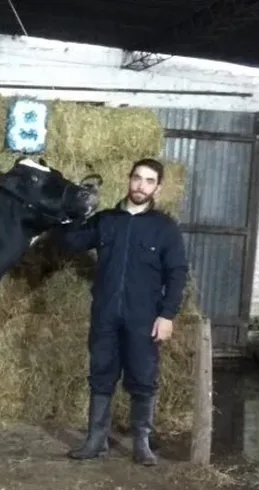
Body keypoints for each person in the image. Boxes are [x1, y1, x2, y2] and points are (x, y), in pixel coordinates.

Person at [56, 158, 188, 466]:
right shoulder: (106, 220)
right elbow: (70, 242)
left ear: (158, 187)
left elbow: (177, 273)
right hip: (106, 313)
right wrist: (75, 210)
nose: (141, 186)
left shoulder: (164, 228)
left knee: (143, 377)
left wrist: (167, 315)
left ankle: (142, 442)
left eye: (149, 181)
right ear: (128, 179)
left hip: (143, 317)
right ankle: (95, 440)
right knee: (101, 374)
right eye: (137, 178)